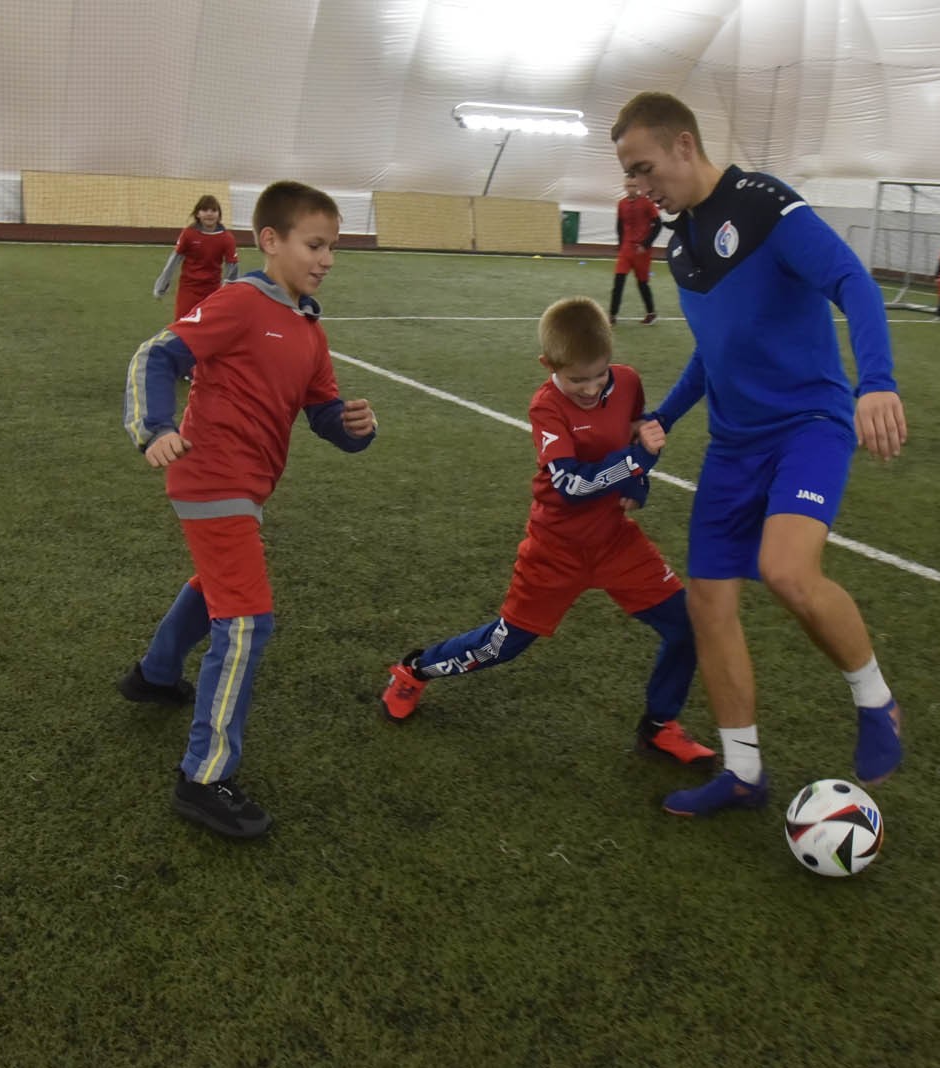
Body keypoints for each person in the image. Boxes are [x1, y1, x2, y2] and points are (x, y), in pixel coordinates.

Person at [611, 91, 906, 818]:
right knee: (709, 603)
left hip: (808, 425)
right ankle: (743, 773)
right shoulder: (680, 247)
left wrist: (877, 382)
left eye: (644, 167)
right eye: (629, 175)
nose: (639, 187)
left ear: (684, 145)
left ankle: (876, 701)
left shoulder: (766, 204)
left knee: (786, 570)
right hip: (733, 444)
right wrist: (664, 415)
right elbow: (714, 351)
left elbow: (853, 282)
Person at [120, 180, 378, 838]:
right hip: (211, 477)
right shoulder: (239, 301)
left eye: (333, 247)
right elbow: (157, 355)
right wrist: (154, 427)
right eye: (314, 245)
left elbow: (324, 414)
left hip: (245, 487)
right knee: (246, 622)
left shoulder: (309, 328)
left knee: (216, 586)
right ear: (270, 241)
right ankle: (203, 778)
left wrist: (355, 428)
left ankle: (154, 675)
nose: (327, 259)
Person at [379, 296, 714, 769]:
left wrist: (638, 485)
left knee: (687, 626)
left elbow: (634, 432)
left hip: (615, 541)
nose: (591, 388)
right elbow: (571, 485)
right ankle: (414, 670)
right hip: (556, 549)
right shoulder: (546, 407)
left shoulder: (627, 381)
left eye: (599, 375)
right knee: (503, 645)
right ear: (548, 365)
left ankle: (659, 726)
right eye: (577, 379)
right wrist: (638, 463)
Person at [153, 194, 240, 320]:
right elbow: (174, 260)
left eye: (213, 210)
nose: (209, 214)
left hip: (212, 291)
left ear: (219, 214)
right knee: (182, 325)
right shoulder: (189, 234)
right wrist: (161, 285)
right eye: (205, 210)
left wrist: (230, 294)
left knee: (209, 326)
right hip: (188, 290)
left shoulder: (227, 238)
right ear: (197, 214)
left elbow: (232, 268)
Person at [609, 177, 664, 325]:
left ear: (638, 187)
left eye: (633, 186)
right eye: (628, 186)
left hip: (642, 252)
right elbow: (619, 225)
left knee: (642, 284)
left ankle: (651, 313)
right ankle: (612, 315)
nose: (631, 189)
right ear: (625, 186)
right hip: (626, 250)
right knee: (618, 281)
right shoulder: (621, 204)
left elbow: (658, 225)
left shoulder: (647, 203)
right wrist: (621, 244)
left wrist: (645, 244)